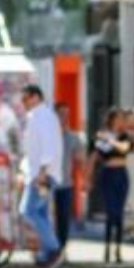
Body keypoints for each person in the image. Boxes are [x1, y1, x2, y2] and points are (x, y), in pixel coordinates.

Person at [18, 84, 65, 268]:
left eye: (25, 99)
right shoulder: (39, 116)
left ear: (36, 97)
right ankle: (47, 254)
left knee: (27, 210)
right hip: (39, 172)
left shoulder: (42, 116)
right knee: (41, 212)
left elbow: (48, 145)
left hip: (42, 174)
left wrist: (43, 171)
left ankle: (53, 249)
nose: (23, 103)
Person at [93, 109, 134, 264]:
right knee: (110, 212)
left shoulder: (126, 136)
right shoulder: (102, 136)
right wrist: (87, 177)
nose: (121, 121)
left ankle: (118, 250)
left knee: (119, 213)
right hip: (108, 174)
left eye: (122, 119)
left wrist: (110, 140)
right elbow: (96, 155)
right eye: (118, 118)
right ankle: (107, 249)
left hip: (122, 174)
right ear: (111, 120)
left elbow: (125, 148)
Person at [53, 103, 84, 253]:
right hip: (50, 184)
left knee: (64, 219)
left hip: (66, 184)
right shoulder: (49, 136)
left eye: (66, 114)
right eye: (61, 114)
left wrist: (85, 180)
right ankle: (51, 248)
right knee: (51, 219)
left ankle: (62, 249)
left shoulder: (73, 138)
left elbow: (79, 160)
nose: (64, 118)